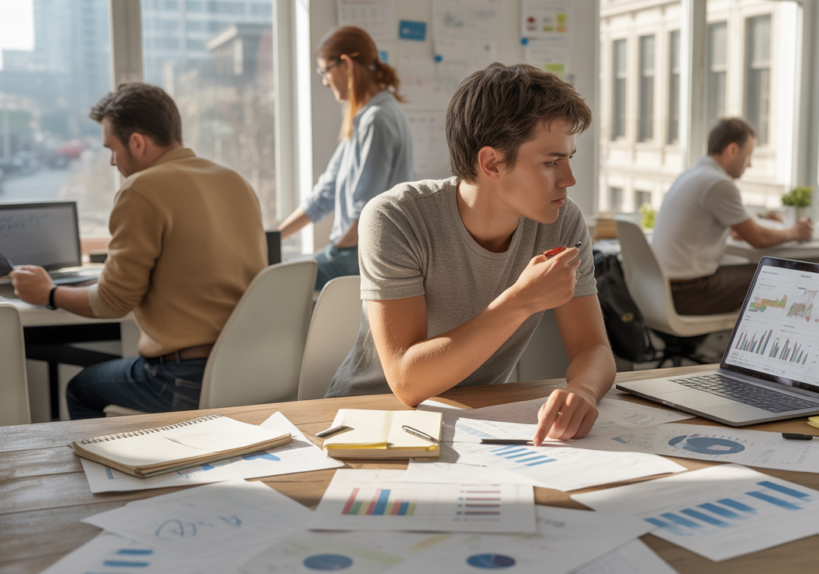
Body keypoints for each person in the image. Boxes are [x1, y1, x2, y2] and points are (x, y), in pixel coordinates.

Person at [327, 63, 615, 446]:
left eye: (568, 158)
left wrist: (583, 390)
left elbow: (592, 347)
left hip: (476, 421)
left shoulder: (562, 220)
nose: (568, 180)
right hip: (370, 418)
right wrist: (519, 301)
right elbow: (407, 383)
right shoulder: (394, 217)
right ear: (492, 163)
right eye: (550, 162)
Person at [10, 83, 267, 419]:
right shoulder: (234, 181)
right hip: (250, 371)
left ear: (137, 142)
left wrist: (49, 292)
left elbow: (113, 302)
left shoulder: (141, 189)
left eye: (112, 149)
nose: (113, 162)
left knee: (80, 390)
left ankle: (111, 471)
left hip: (184, 380)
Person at [277, 26, 414, 290]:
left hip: (364, 254)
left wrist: (332, 252)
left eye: (325, 71)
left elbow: (362, 218)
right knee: (279, 277)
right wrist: (275, 238)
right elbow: (325, 195)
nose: (325, 81)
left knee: (281, 284)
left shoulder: (378, 120)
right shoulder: (363, 120)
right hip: (355, 250)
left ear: (346, 64)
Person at [652, 118, 814, 316]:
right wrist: (796, 232)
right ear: (732, 150)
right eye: (748, 155)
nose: (750, 164)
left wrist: (736, 228)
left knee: (755, 272)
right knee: (773, 274)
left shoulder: (693, 174)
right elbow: (758, 239)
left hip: (662, 292)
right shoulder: (718, 183)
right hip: (689, 293)